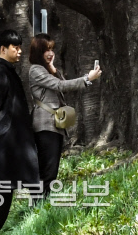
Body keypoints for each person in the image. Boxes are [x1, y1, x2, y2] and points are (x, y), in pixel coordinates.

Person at [0, 28, 40, 229]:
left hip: (17, 138)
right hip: (5, 140)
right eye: (16, 47)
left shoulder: (8, 72)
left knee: (32, 181)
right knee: (3, 187)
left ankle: (37, 222)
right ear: (3, 49)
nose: (20, 51)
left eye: (21, 47)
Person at [29, 33, 102, 196]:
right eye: (46, 50)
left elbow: (58, 82)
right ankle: (39, 206)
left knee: (50, 169)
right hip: (45, 125)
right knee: (47, 170)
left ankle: (41, 205)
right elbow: (60, 85)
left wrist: (53, 68)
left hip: (52, 124)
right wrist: (87, 79)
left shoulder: (45, 70)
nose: (50, 53)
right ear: (37, 52)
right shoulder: (35, 70)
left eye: (52, 49)